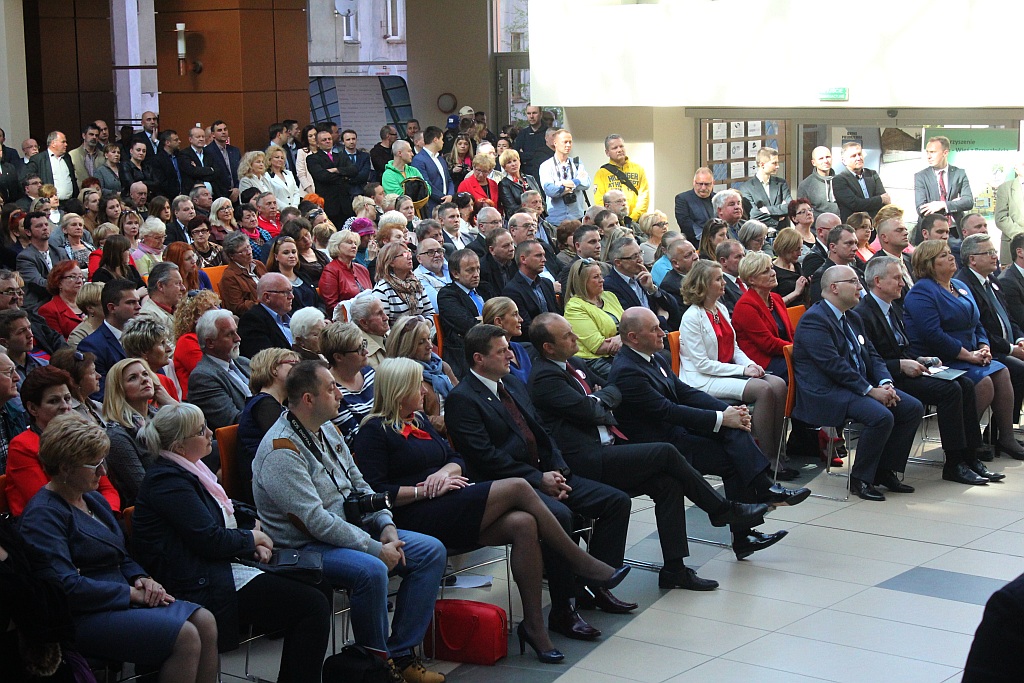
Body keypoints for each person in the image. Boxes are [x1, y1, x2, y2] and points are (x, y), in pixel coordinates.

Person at [356, 358, 628, 663]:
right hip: (417, 515)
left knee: (524, 523)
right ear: (398, 390)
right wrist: (424, 489)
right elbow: (375, 493)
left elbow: (456, 457)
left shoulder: (417, 421)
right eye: (417, 384)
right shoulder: (373, 432)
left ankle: (535, 627)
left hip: (449, 502)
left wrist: (444, 472)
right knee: (518, 487)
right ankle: (583, 563)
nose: (425, 391)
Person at [529, 313, 770, 589]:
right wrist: (598, 401)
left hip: (610, 446)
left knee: (668, 482)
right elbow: (592, 409)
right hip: (585, 460)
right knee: (664, 453)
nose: (575, 338)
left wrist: (599, 399)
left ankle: (675, 569)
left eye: (572, 332)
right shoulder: (545, 377)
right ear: (548, 347)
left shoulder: (574, 363)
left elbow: (612, 390)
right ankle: (721, 509)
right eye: (567, 336)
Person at [252, 360, 449, 683]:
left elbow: (361, 486)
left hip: (351, 527)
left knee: (431, 551)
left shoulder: (328, 429)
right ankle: (375, 665)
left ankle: (401, 653)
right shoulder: (280, 451)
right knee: (371, 570)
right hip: (304, 547)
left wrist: (386, 526)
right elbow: (315, 522)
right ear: (308, 399)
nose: (340, 394)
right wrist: (375, 548)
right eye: (331, 388)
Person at [445, 325, 633, 642]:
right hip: (505, 487)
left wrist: (557, 468)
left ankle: (597, 586)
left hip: (545, 474)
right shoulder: (462, 399)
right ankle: (564, 609)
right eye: (502, 350)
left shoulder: (513, 385)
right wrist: (538, 479)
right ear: (479, 358)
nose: (511, 354)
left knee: (615, 502)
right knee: (561, 515)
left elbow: (542, 433)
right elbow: (485, 458)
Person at [133, 402, 330, 681]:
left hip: (218, 564)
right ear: (178, 446)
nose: (210, 433)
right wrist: (252, 538)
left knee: (319, 583)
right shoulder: (167, 482)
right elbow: (209, 539)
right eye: (201, 430)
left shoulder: (192, 469)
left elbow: (228, 508)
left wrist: (253, 527)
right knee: (311, 604)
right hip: (198, 579)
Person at [18, 413, 219, 682]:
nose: (103, 472)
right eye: (94, 465)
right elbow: (64, 586)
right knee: (185, 636)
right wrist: (130, 594)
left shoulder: (91, 499)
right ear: (65, 468)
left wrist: (142, 578)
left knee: (204, 621)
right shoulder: (43, 515)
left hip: (119, 598)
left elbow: (120, 554)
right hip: (83, 615)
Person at [608, 307, 808, 557]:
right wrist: (722, 418)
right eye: (654, 329)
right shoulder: (627, 370)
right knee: (732, 449)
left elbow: (684, 392)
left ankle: (753, 513)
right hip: (659, 446)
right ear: (633, 337)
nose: (663, 332)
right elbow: (667, 411)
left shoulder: (654, 357)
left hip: (677, 434)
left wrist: (728, 411)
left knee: (734, 438)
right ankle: (755, 507)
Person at [855, 255, 998, 486]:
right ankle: (954, 462)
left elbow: (902, 346)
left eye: (902, 277)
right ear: (878, 281)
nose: (902, 283)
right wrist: (900, 365)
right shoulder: (863, 314)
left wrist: (922, 359)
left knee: (965, 383)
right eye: (897, 278)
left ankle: (970, 456)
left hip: (906, 368)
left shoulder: (894, 308)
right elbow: (866, 360)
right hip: (886, 377)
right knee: (950, 391)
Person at [793, 265, 925, 500]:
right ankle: (861, 479)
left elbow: (872, 355)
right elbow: (834, 367)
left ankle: (884, 470)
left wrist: (885, 382)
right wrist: (870, 391)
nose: (859, 287)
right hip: (827, 392)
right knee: (881, 416)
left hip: (855, 387)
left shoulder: (852, 316)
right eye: (853, 282)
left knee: (911, 407)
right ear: (834, 288)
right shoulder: (814, 320)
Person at [679, 259, 790, 471]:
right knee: (764, 389)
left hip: (725, 371)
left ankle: (779, 452)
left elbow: (735, 347)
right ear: (703, 284)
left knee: (778, 384)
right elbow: (702, 364)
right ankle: (764, 459)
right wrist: (742, 370)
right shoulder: (692, 317)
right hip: (704, 379)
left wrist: (751, 365)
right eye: (718, 279)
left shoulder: (719, 308)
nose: (724, 283)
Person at [5, 367, 120, 516]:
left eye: (67, 399)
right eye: (54, 401)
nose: (65, 407)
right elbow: (45, 503)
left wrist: (105, 517)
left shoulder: (78, 437)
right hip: (47, 526)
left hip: (92, 515)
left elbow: (107, 489)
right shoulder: (22, 446)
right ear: (33, 408)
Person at [954, 234, 1024, 432]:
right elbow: (980, 328)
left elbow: (1008, 317)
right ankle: (999, 431)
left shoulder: (991, 279)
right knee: (1018, 369)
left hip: (1006, 344)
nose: (995, 256)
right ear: (972, 259)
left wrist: (1019, 339)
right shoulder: (964, 284)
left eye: (994, 252)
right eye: (988, 252)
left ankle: (1002, 432)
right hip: (985, 349)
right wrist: (1011, 349)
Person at [100, 356, 167, 505]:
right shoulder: (117, 436)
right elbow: (143, 488)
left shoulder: (159, 416)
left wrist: (169, 402)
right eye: (133, 378)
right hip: (156, 509)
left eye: (145, 374)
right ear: (119, 390)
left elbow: (201, 437)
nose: (144, 379)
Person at [385, 315, 456, 435]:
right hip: (438, 435)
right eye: (421, 342)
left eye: (429, 338)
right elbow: (414, 418)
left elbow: (462, 396)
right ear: (406, 346)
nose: (429, 346)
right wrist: (452, 422)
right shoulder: (403, 376)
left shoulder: (441, 365)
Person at [187, 309, 251, 430]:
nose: (238, 338)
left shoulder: (244, 362)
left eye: (236, 332)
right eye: (229, 334)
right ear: (210, 343)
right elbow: (235, 421)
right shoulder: (202, 378)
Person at [78, 278, 142, 397]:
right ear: (112, 308)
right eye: (130, 302)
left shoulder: (142, 337)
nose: (138, 306)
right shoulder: (92, 346)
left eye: (138, 301)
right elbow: (100, 394)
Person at [604, 236, 680, 332]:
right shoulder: (610, 286)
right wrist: (662, 319)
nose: (640, 259)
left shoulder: (642, 276)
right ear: (618, 262)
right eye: (634, 257)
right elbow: (634, 322)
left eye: (640, 253)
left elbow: (673, 306)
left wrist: (653, 289)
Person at [914, 135, 974, 235]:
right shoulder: (921, 176)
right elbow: (921, 209)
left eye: (932, 152)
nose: (928, 156)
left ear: (945, 153)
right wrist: (956, 203)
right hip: (932, 233)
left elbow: (968, 202)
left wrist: (943, 204)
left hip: (956, 232)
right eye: (927, 152)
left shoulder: (959, 173)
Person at [372, 242, 435, 330]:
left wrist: (423, 327)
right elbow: (382, 326)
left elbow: (430, 313)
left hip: (421, 335)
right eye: (404, 254)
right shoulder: (382, 290)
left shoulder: (415, 283)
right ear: (391, 262)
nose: (409, 257)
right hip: (396, 340)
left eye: (409, 252)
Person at [171, 289, 220, 400]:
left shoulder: (213, 337)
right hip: (199, 400)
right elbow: (211, 373)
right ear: (194, 317)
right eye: (209, 308)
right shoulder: (187, 341)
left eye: (216, 305)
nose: (217, 310)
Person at [16, 211, 67, 310]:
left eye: (46, 224)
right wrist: (67, 286)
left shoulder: (60, 252)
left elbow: (71, 274)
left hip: (64, 301)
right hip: (39, 305)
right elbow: (38, 283)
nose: (45, 228)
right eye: (39, 226)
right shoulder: (24, 257)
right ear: (28, 232)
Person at [539, 130, 590, 224]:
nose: (568, 145)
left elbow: (586, 183)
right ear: (555, 143)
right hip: (556, 219)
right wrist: (567, 185)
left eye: (570, 142)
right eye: (565, 142)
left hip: (576, 218)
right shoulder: (546, 166)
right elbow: (550, 190)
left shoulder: (577, 163)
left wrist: (564, 184)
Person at [833, 141, 891, 224]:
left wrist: (879, 200)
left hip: (875, 224)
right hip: (854, 228)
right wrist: (880, 199)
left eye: (860, 154)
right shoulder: (839, 180)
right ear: (844, 161)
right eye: (853, 156)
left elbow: (885, 200)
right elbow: (855, 204)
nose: (858, 158)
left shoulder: (872, 174)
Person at [48, 346, 104, 427]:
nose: (99, 376)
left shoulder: (98, 406)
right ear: (73, 381)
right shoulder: (67, 414)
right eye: (92, 372)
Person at [482, 296, 532, 385]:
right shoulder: (490, 356)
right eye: (514, 314)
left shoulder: (519, 348)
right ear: (499, 321)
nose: (521, 320)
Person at [265, 236, 323, 314]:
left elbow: (319, 302)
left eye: (294, 252)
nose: (291, 256)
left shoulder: (304, 276)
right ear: (276, 256)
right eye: (286, 253)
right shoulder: (274, 282)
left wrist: (322, 315)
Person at [739, 148, 792, 230]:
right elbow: (754, 215)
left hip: (783, 233)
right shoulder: (746, 188)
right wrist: (778, 218)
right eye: (774, 163)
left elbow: (790, 207)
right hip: (760, 234)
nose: (778, 166)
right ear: (762, 164)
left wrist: (767, 210)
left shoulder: (781, 183)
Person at [319, 229, 371, 313]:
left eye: (355, 243)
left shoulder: (362, 269)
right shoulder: (330, 271)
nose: (354, 246)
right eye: (349, 242)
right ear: (337, 246)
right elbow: (331, 306)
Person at [218, 231, 268, 316]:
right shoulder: (229, 277)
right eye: (242, 251)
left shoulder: (258, 264)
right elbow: (237, 307)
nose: (249, 252)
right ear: (231, 256)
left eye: (249, 247)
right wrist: (264, 302)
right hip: (254, 316)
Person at [37, 260, 84, 340]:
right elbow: (58, 343)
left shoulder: (88, 303)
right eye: (73, 277)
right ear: (59, 282)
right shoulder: (48, 310)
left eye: (80, 277)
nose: (79, 281)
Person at [796, 146, 839, 218]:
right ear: (813, 162)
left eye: (828, 157)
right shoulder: (805, 185)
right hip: (816, 227)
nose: (825, 161)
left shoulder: (842, 181)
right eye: (821, 158)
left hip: (840, 226)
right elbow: (803, 212)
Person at [497, 148, 541, 219]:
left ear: (519, 162)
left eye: (515, 160)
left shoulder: (530, 178)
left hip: (538, 217)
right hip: (519, 220)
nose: (513, 164)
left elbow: (541, 199)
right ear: (504, 167)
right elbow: (511, 209)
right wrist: (531, 206)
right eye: (509, 162)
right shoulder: (504, 184)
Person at [349, 291, 389, 368]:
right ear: (364, 323)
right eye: (379, 314)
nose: (386, 317)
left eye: (384, 312)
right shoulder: (361, 355)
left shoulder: (391, 337)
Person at [67, 281, 104, 348]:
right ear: (90, 308)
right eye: (105, 303)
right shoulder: (79, 336)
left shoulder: (116, 325)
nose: (112, 306)